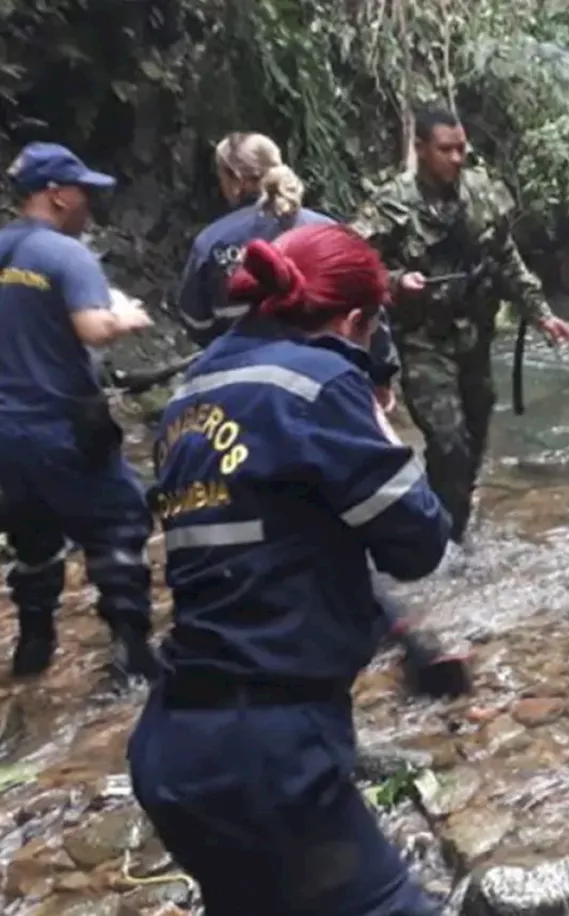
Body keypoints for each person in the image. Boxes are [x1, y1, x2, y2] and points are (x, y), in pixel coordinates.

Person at [128, 223, 452, 916]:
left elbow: (271, 549)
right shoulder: (324, 380)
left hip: (176, 751)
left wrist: (399, 634)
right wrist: (376, 413)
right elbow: (420, 539)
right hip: (271, 760)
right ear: (357, 321)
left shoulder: (194, 391)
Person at [353, 105, 569, 545]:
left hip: (474, 338)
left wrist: (541, 313)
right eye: (445, 149)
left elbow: (506, 259)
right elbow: (356, 262)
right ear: (420, 148)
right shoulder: (392, 202)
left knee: (471, 444)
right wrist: (396, 280)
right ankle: (439, 536)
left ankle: (451, 524)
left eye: (461, 149)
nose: (456, 158)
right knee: (448, 440)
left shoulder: (480, 193)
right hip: (423, 342)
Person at [0, 142, 159, 679]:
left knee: (33, 535)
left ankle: (33, 650)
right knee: (119, 523)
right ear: (57, 195)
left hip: (5, 431)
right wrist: (127, 318)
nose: (90, 201)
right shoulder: (66, 255)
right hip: (62, 424)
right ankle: (132, 656)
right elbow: (92, 328)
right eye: (84, 191)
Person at [176, 132, 400, 407]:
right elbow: (370, 308)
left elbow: (197, 323)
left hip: (245, 395)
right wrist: (380, 375)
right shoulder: (329, 232)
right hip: (328, 387)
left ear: (234, 179)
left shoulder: (212, 243)